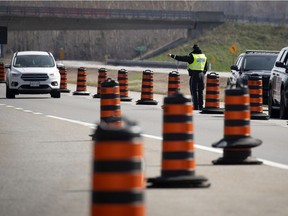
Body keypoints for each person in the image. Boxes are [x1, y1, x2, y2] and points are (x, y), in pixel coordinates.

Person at [168, 44, 208, 110]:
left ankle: (195, 106)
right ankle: (201, 106)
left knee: (194, 91)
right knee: (200, 91)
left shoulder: (192, 56)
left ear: (194, 49)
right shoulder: (203, 56)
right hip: (201, 75)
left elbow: (182, 58)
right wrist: (203, 73)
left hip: (194, 75)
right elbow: (206, 67)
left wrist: (172, 56)